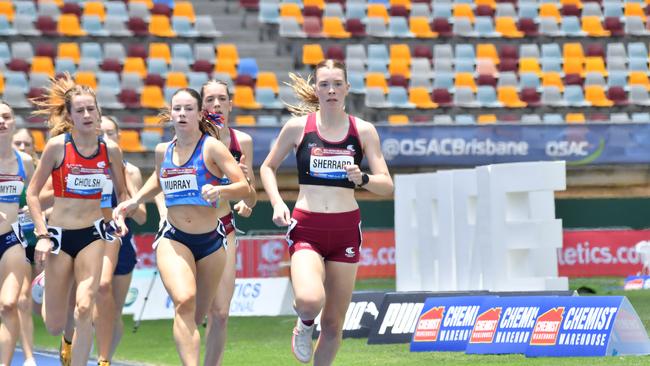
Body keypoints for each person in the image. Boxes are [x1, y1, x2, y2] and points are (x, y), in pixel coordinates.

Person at [260, 60, 394, 365]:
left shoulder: (363, 131)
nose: (331, 90)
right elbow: (267, 167)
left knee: (333, 325)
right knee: (309, 302)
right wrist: (278, 202)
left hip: (346, 229)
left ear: (347, 88)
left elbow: (387, 185)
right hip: (307, 227)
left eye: (337, 83)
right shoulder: (298, 128)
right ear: (315, 89)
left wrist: (364, 179)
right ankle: (304, 325)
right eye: (324, 84)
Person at [113, 88, 250, 365]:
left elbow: (243, 187)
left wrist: (221, 192)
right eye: (177, 109)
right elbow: (159, 178)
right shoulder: (163, 150)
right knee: (184, 301)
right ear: (170, 113)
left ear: (199, 114)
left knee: (201, 314)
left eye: (189, 109)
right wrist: (135, 200)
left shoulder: (212, 147)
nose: (182, 114)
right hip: (174, 238)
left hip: (212, 241)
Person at [26, 75, 128, 366]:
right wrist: (43, 235)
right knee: (55, 325)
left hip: (93, 235)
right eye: (80, 110)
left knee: (85, 308)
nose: (86, 115)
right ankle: (47, 283)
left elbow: (122, 192)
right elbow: (33, 194)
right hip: (59, 236)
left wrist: (120, 214)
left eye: (91, 109)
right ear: (69, 116)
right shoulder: (58, 147)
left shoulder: (110, 150)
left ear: (98, 112)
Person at [200, 80, 257, 366]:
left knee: (221, 312)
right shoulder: (191, 137)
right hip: (188, 228)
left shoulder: (242, 142)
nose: (217, 105)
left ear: (231, 104)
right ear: (201, 107)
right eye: (210, 100)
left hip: (223, 227)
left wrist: (246, 191)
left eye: (222, 99)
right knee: (197, 311)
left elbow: (252, 194)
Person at [91, 116, 147, 364]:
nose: (104, 138)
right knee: (91, 309)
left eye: (110, 133)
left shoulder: (130, 171)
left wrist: (127, 204)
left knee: (112, 312)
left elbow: (143, 216)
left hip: (122, 244)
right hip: (90, 241)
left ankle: (106, 359)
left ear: (118, 136)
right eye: (100, 133)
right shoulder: (86, 167)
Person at [0, 102, 35, 365]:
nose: (2, 121)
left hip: (11, 238)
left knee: (9, 304)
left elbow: (34, 197)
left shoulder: (24, 161)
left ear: (13, 122)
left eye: (6, 117)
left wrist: (43, 233)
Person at [11, 128, 38, 366]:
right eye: (17, 143)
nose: (21, 148)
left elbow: (52, 204)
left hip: (36, 241)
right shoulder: (6, 169)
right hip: (13, 241)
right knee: (19, 299)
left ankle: (67, 339)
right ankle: (29, 358)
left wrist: (37, 210)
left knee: (39, 305)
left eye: (25, 144)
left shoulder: (37, 171)